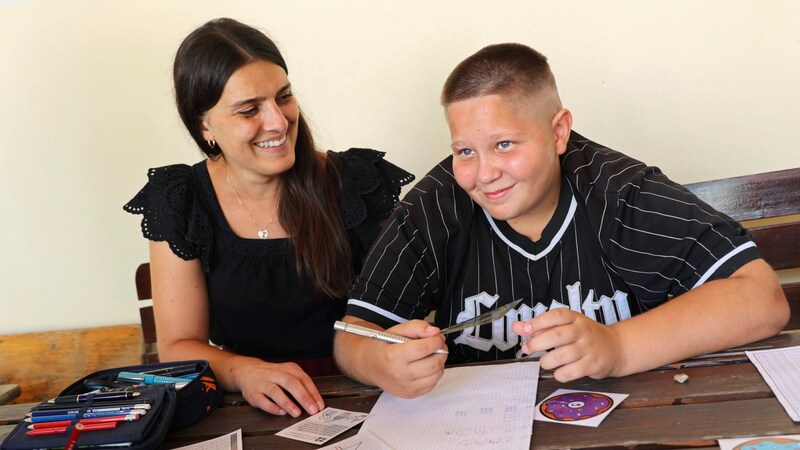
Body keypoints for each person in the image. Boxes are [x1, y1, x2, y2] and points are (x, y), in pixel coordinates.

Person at [333, 43, 789, 399]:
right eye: (465, 151)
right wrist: (381, 362)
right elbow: (353, 335)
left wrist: (616, 347)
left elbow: (761, 298)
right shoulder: (434, 208)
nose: (483, 173)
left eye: (505, 144)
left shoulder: (619, 193)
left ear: (558, 132)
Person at [124, 18, 414, 416]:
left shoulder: (356, 183)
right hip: (247, 403)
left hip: (368, 391)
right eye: (249, 110)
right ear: (203, 125)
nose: (278, 121)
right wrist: (245, 373)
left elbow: (399, 313)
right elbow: (178, 347)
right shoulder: (182, 201)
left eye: (284, 97)